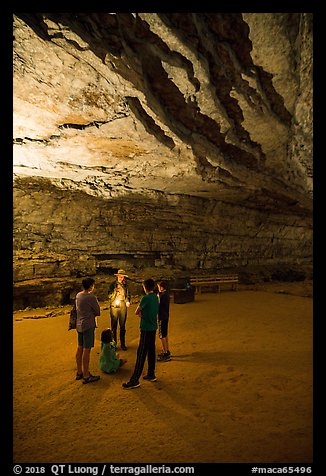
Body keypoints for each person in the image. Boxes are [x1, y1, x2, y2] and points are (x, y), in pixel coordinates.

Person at [122, 278, 159, 389]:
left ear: (145, 287)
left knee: (141, 353)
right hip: (153, 327)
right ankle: (151, 374)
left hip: (146, 328)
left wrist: (141, 315)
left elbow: (137, 311)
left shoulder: (145, 298)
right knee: (151, 351)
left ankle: (135, 380)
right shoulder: (156, 297)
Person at [75, 277, 101, 384]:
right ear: (90, 286)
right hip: (88, 325)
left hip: (79, 324)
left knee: (80, 347)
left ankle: (79, 371)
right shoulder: (91, 297)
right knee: (87, 349)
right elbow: (98, 311)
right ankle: (86, 375)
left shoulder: (78, 295)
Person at [107, 269, 131, 350]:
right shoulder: (113, 285)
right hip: (114, 306)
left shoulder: (125, 285)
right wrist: (114, 292)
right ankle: (114, 344)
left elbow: (128, 294)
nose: (121, 278)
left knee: (122, 325)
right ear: (117, 276)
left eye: (122, 277)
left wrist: (127, 301)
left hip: (122, 305)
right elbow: (109, 296)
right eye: (120, 276)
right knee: (114, 325)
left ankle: (123, 344)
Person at [156, 280, 171, 362]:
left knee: (162, 335)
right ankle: (166, 350)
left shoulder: (162, 296)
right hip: (165, 316)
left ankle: (165, 353)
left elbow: (158, 305)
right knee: (165, 334)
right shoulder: (166, 295)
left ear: (161, 287)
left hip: (161, 317)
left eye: (158, 287)